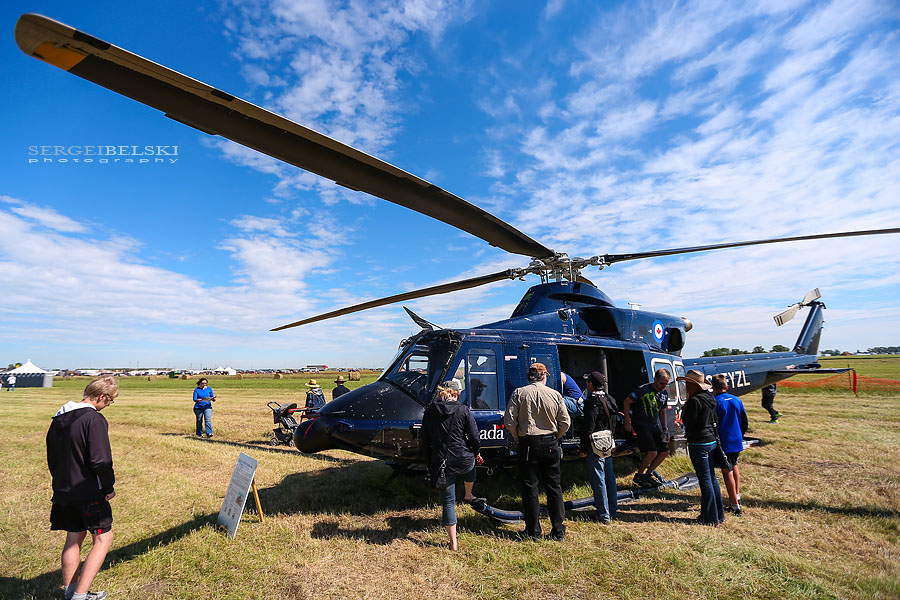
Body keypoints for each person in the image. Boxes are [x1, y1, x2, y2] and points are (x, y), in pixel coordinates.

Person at [47, 375, 119, 600]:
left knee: (73, 537)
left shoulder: (59, 418)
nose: (108, 405)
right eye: (110, 401)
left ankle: (70, 592)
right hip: (88, 491)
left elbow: (52, 457)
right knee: (103, 539)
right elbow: (101, 460)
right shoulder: (93, 419)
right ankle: (80, 595)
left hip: (63, 488)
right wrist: (109, 486)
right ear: (101, 396)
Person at [504, 362, 571, 541]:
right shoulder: (555, 395)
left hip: (528, 444)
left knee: (530, 488)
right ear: (544, 376)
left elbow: (509, 421)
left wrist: (518, 438)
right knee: (554, 487)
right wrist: (557, 436)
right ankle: (558, 531)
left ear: (530, 376)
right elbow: (565, 422)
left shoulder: (519, 393)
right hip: (550, 442)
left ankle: (533, 532)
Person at [420, 381, 482, 552]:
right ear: (455, 394)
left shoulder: (430, 411)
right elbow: (474, 436)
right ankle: (469, 494)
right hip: (463, 458)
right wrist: (476, 452)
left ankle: (453, 542)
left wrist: (428, 463)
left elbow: (424, 441)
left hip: (441, 462)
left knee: (448, 502)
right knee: (471, 465)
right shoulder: (463, 410)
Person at [679, 369, 725, 526]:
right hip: (711, 440)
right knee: (712, 478)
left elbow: (689, 423)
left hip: (699, 443)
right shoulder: (709, 398)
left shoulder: (694, 401)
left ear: (692, 385)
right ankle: (718, 515)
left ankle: (710, 518)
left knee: (705, 480)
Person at [578, 371, 618, 523]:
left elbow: (588, 427)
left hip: (595, 444)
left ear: (591, 384)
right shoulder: (609, 399)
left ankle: (603, 515)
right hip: (608, 441)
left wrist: (583, 448)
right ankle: (613, 510)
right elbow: (614, 421)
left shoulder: (591, 402)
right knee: (609, 477)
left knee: (598, 479)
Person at [623, 369, 671, 487]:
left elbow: (662, 411)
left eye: (666, 384)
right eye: (661, 383)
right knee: (652, 452)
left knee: (665, 451)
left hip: (653, 425)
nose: (663, 387)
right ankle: (639, 475)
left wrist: (665, 429)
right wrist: (627, 421)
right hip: (641, 424)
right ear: (655, 380)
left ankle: (648, 474)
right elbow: (627, 402)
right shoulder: (643, 390)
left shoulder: (664, 393)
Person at [712, 374, 748, 516]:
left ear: (713, 388)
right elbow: (744, 421)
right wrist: (740, 434)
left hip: (724, 441)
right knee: (734, 465)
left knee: (727, 471)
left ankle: (735, 505)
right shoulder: (737, 400)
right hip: (736, 440)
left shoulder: (715, 402)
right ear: (726, 387)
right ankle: (736, 495)